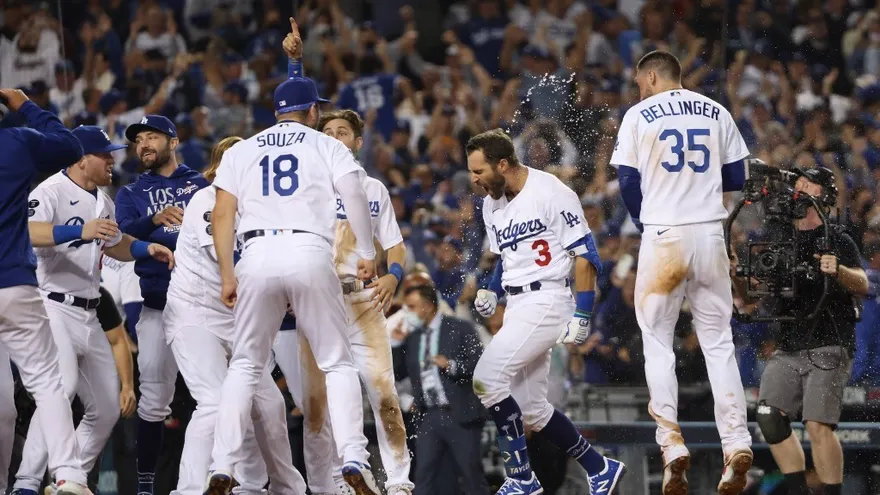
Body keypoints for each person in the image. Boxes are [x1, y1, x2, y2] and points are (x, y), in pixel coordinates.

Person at [203, 74, 381, 495]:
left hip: (257, 254)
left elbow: (223, 213)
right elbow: (354, 193)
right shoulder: (326, 144)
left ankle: (222, 464)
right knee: (336, 362)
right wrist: (369, 252)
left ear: (276, 112)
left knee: (245, 364)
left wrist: (229, 272)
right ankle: (354, 455)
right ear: (313, 112)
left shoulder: (243, 150)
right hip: (309, 251)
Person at [609, 50, 753, 495]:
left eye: (639, 81)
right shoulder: (716, 110)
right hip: (710, 234)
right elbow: (736, 178)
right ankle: (737, 442)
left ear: (651, 76)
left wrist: (645, 221)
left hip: (664, 236)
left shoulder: (638, 114)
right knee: (719, 343)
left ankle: (671, 444)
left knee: (657, 342)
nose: (638, 89)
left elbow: (628, 182)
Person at [11, 125, 174, 495]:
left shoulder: (103, 198)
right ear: (81, 158)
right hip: (50, 306)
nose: (112, 159)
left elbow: (114, 241)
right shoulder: (51, 190)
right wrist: (78, 231)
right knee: (61, 387)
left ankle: (69, 481)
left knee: (105, 409)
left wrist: (145, 249)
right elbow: (26, 229)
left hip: (90, 312)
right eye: (104, 154)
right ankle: (25, 484)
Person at [467, 129, 624, 495]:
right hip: (518, 303)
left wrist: (583, 313)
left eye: (478, 172)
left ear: (502, 164)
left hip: (549, 299)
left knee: (486, 381)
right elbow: (505, 257)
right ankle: (599, 467)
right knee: (532, 409)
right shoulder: (493, 203)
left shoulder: (551, 192)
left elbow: (587, 254)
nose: (474, 180)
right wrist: (492, 289)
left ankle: (522, 478)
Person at [271, 108, 414, 494]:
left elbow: (396, 246)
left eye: (343, 132)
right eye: (328, 131)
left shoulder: (373, 189)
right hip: (315, 301)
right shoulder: (303, 186)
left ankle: (399, 483)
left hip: (363, 301)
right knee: (315, 405)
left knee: (383, 392)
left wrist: (393, 274)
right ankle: (325, 486)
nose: (335, 137)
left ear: (357, 141)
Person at [164, 136, 307, 495]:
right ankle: (191, 489)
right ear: (220, 166)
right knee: (214, 401)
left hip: (236, 320)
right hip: (194, 315)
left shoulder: (261, 209)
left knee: (270, 404)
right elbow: (227, 258)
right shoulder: (206, 200)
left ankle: (265, 486)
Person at [732, 167, 866, 495]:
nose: (802, 187)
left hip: (829, 340)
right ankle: (798, 490)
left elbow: (862, 283)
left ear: (826, 197)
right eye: (800, 182)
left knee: (818, 424)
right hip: (788, 343)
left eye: (811, 184)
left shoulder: (838, 238)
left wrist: (838, 271)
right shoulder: (778, 238)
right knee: (768, 416)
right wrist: (735, 271)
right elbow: (751, 297)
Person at [0, 87, 92, 495]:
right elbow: (71, 146)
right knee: (48, 384)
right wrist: (24, 105)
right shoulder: (16, 141)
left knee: (4, 404)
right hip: (13, 284)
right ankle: (69, 476)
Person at [115, 115, 210, 495]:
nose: (144, 145)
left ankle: (222, 479)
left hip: (203, 306)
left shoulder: (200, 184)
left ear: (173, 141)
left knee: (216, 395)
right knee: (153, 401)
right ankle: (145, 486)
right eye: (138, 140)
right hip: (157, 305)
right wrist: (153, 218)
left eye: (152, 136)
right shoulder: (131, 192)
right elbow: (120, 239)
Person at [392, 284, 489, 495]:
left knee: (471, 475)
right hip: (428, 416)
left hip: (460, 414)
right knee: (424, 476)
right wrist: (396, 343)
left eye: (411, 307)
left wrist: (452, 365)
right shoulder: (413, 338)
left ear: (426, 307)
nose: (407, 312)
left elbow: (480, 364)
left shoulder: (460, 328)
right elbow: (398, 373)